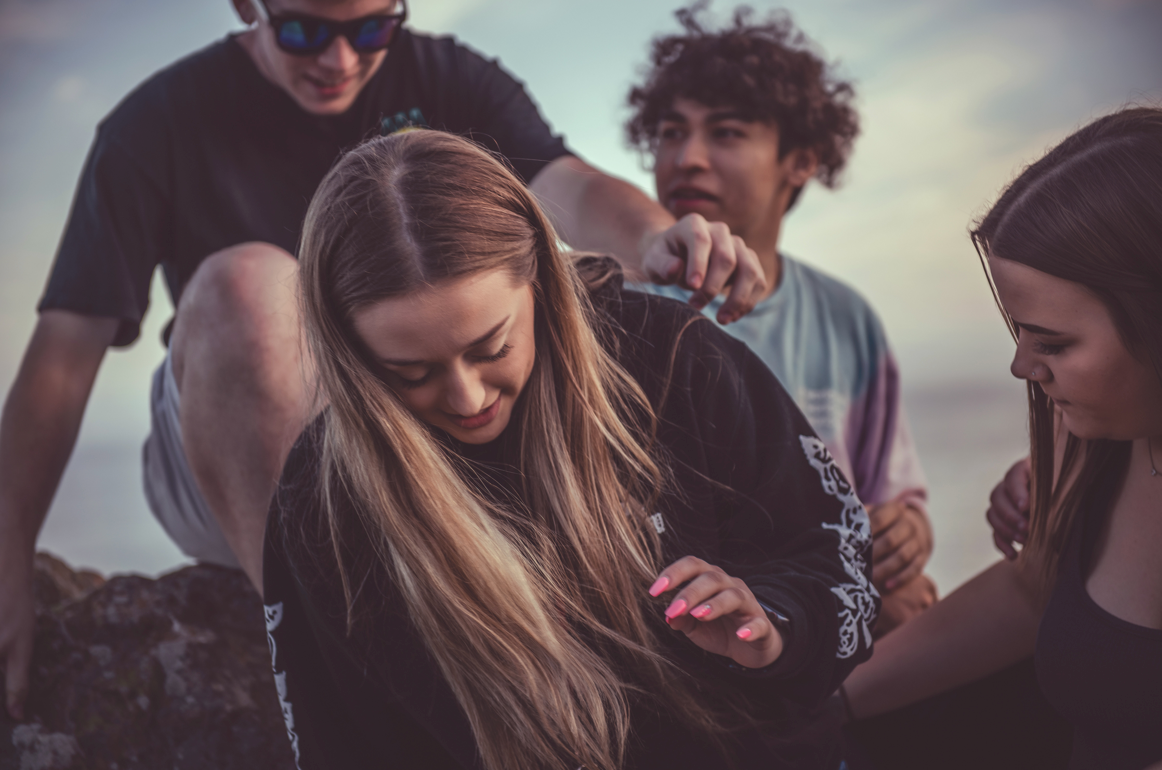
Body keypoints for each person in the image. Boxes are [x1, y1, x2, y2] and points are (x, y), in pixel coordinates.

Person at [0, 0, 766, 722]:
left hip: (425, 430)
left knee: (552, 287)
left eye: (371, 30)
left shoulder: (448, 78)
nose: (338, 59)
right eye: (302, 31)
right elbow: (64, 358)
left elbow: (572, 188)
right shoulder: (153, 126)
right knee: (251, 288)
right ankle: (332, 650)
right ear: (245, 5)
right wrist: (8, 553)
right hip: (233, 451)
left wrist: (657, 238)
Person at [262, 129, 878, 770]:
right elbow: (341, 743)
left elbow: (838, 554)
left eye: (491, 347)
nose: (467, 397)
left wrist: (772, 627)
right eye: (410, 373)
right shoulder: (322, 500)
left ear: (540, 281)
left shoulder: (669, 358)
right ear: (349, 353)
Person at [842, 107, 1162, 770]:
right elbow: (1031, 589)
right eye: (1019, 333)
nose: (1022, 367)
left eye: (1054, 343)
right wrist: (813, 711)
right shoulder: (1088, 436)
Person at [622, 6, 935, 635]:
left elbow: (891, 493)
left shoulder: (846, 317)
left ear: (801, 161)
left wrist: (907, 532)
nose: (688, 158)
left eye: (728, 133)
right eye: (671, 132)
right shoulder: (621, 312)